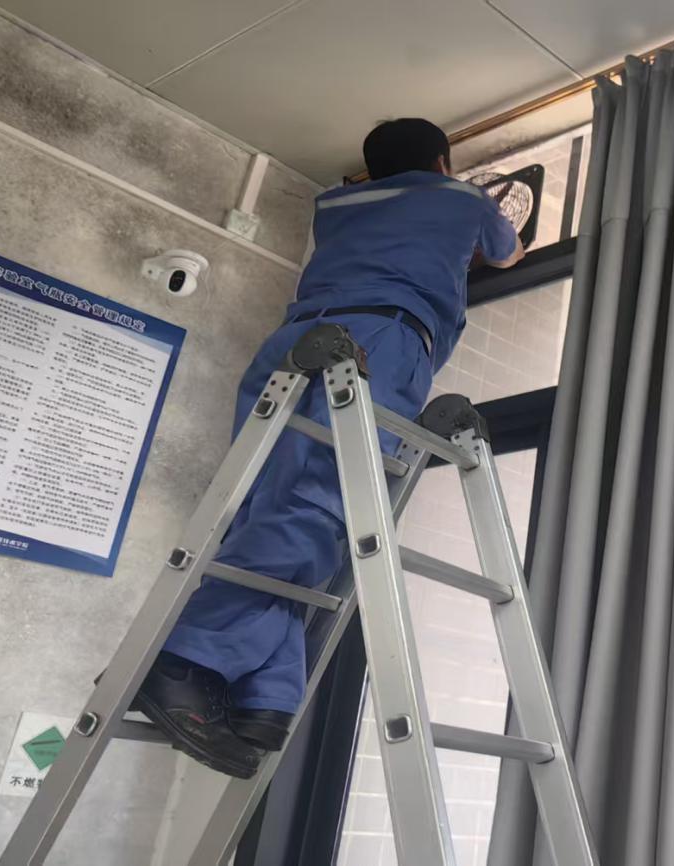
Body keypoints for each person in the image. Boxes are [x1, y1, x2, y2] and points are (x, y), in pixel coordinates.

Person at [135, 118, 524, 778]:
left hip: (292, 345)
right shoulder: (462, 198)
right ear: (442, 161)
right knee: (321, 509)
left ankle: (264, 691)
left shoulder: (336, 204)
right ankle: (186, 660)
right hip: (378, 343)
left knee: (269, 506)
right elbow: (509, 251)